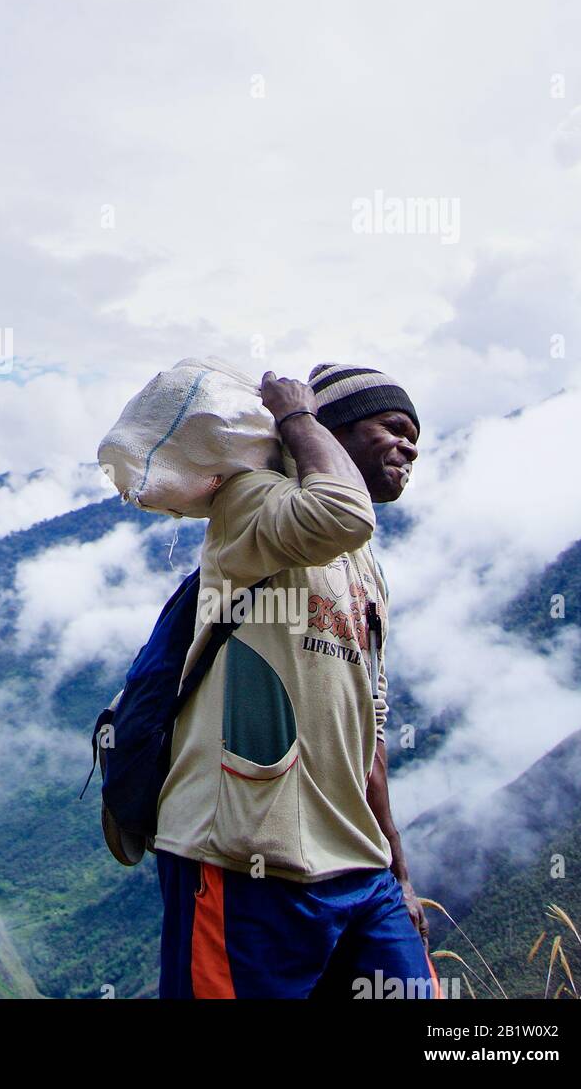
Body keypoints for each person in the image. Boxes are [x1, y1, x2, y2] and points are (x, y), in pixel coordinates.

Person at [153, 364, 439, 999]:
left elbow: (372, 728)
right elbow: (340, 512)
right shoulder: (252, 502)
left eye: (415, 435)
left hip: (361, 872)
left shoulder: (365, 567)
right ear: (331, 433)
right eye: (392, 427)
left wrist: (400, 874)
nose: (410, 446)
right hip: (242, 855)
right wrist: (296, 413)